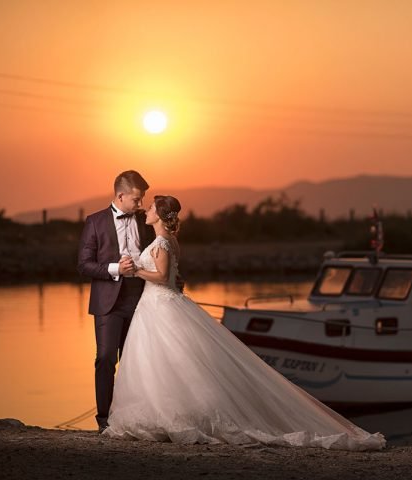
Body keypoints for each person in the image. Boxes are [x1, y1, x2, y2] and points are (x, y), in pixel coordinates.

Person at [103, 195, 385, 451]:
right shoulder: (168, 242)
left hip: (161, 304)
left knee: (171, 361)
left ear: (160, 215)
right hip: (157, 306)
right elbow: (175, 277)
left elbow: (163, 277)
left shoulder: (163, 242)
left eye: (151, 208)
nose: (146, 212)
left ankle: (177, 416)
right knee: (164, 362)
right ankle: (162, 415)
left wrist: (136, 271)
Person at [77, 170, 155, 433]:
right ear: (120, 195)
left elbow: (160, 253)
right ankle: (104, 421)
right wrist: (114, 269)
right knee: (106, 357)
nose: (140, 204)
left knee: (138, 361)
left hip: (141, 297)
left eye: (142, 199)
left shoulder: (146, 220)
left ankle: (135, 418)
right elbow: (84, 265)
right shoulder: (95, 222)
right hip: (108, 301)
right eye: (136, 199)